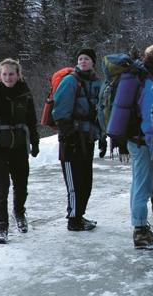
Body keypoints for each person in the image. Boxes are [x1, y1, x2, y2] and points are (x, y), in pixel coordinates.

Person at [52, 48, 102, 231]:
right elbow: (60, 110)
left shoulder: (96, 83)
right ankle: (73, 219)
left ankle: (79, 215)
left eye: (87, 59)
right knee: (74, 183)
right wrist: (68, 133)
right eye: (80, 58)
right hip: (71, 139)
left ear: (93, 63)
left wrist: (101, 134)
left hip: (87, 138)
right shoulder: (70, 81)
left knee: (86, 181)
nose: (83, 61)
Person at [127, 45, 153, 250]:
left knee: (138, 183)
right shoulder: (150, 81)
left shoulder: (142, 77)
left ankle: (141, 225)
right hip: (142, 141)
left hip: (136, 139)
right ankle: (140, 231)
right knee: (143, 186)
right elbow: (148, 116)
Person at [0, 59, 39, 243]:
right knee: (1, 187)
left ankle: (19, 213)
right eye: (4, 74)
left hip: (19, 146)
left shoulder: (25, 93)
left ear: (18, 74)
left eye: (11, 74)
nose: (8, 77)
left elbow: (31, 119)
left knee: (21, 185)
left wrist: (34, 143)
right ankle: (1, 226)